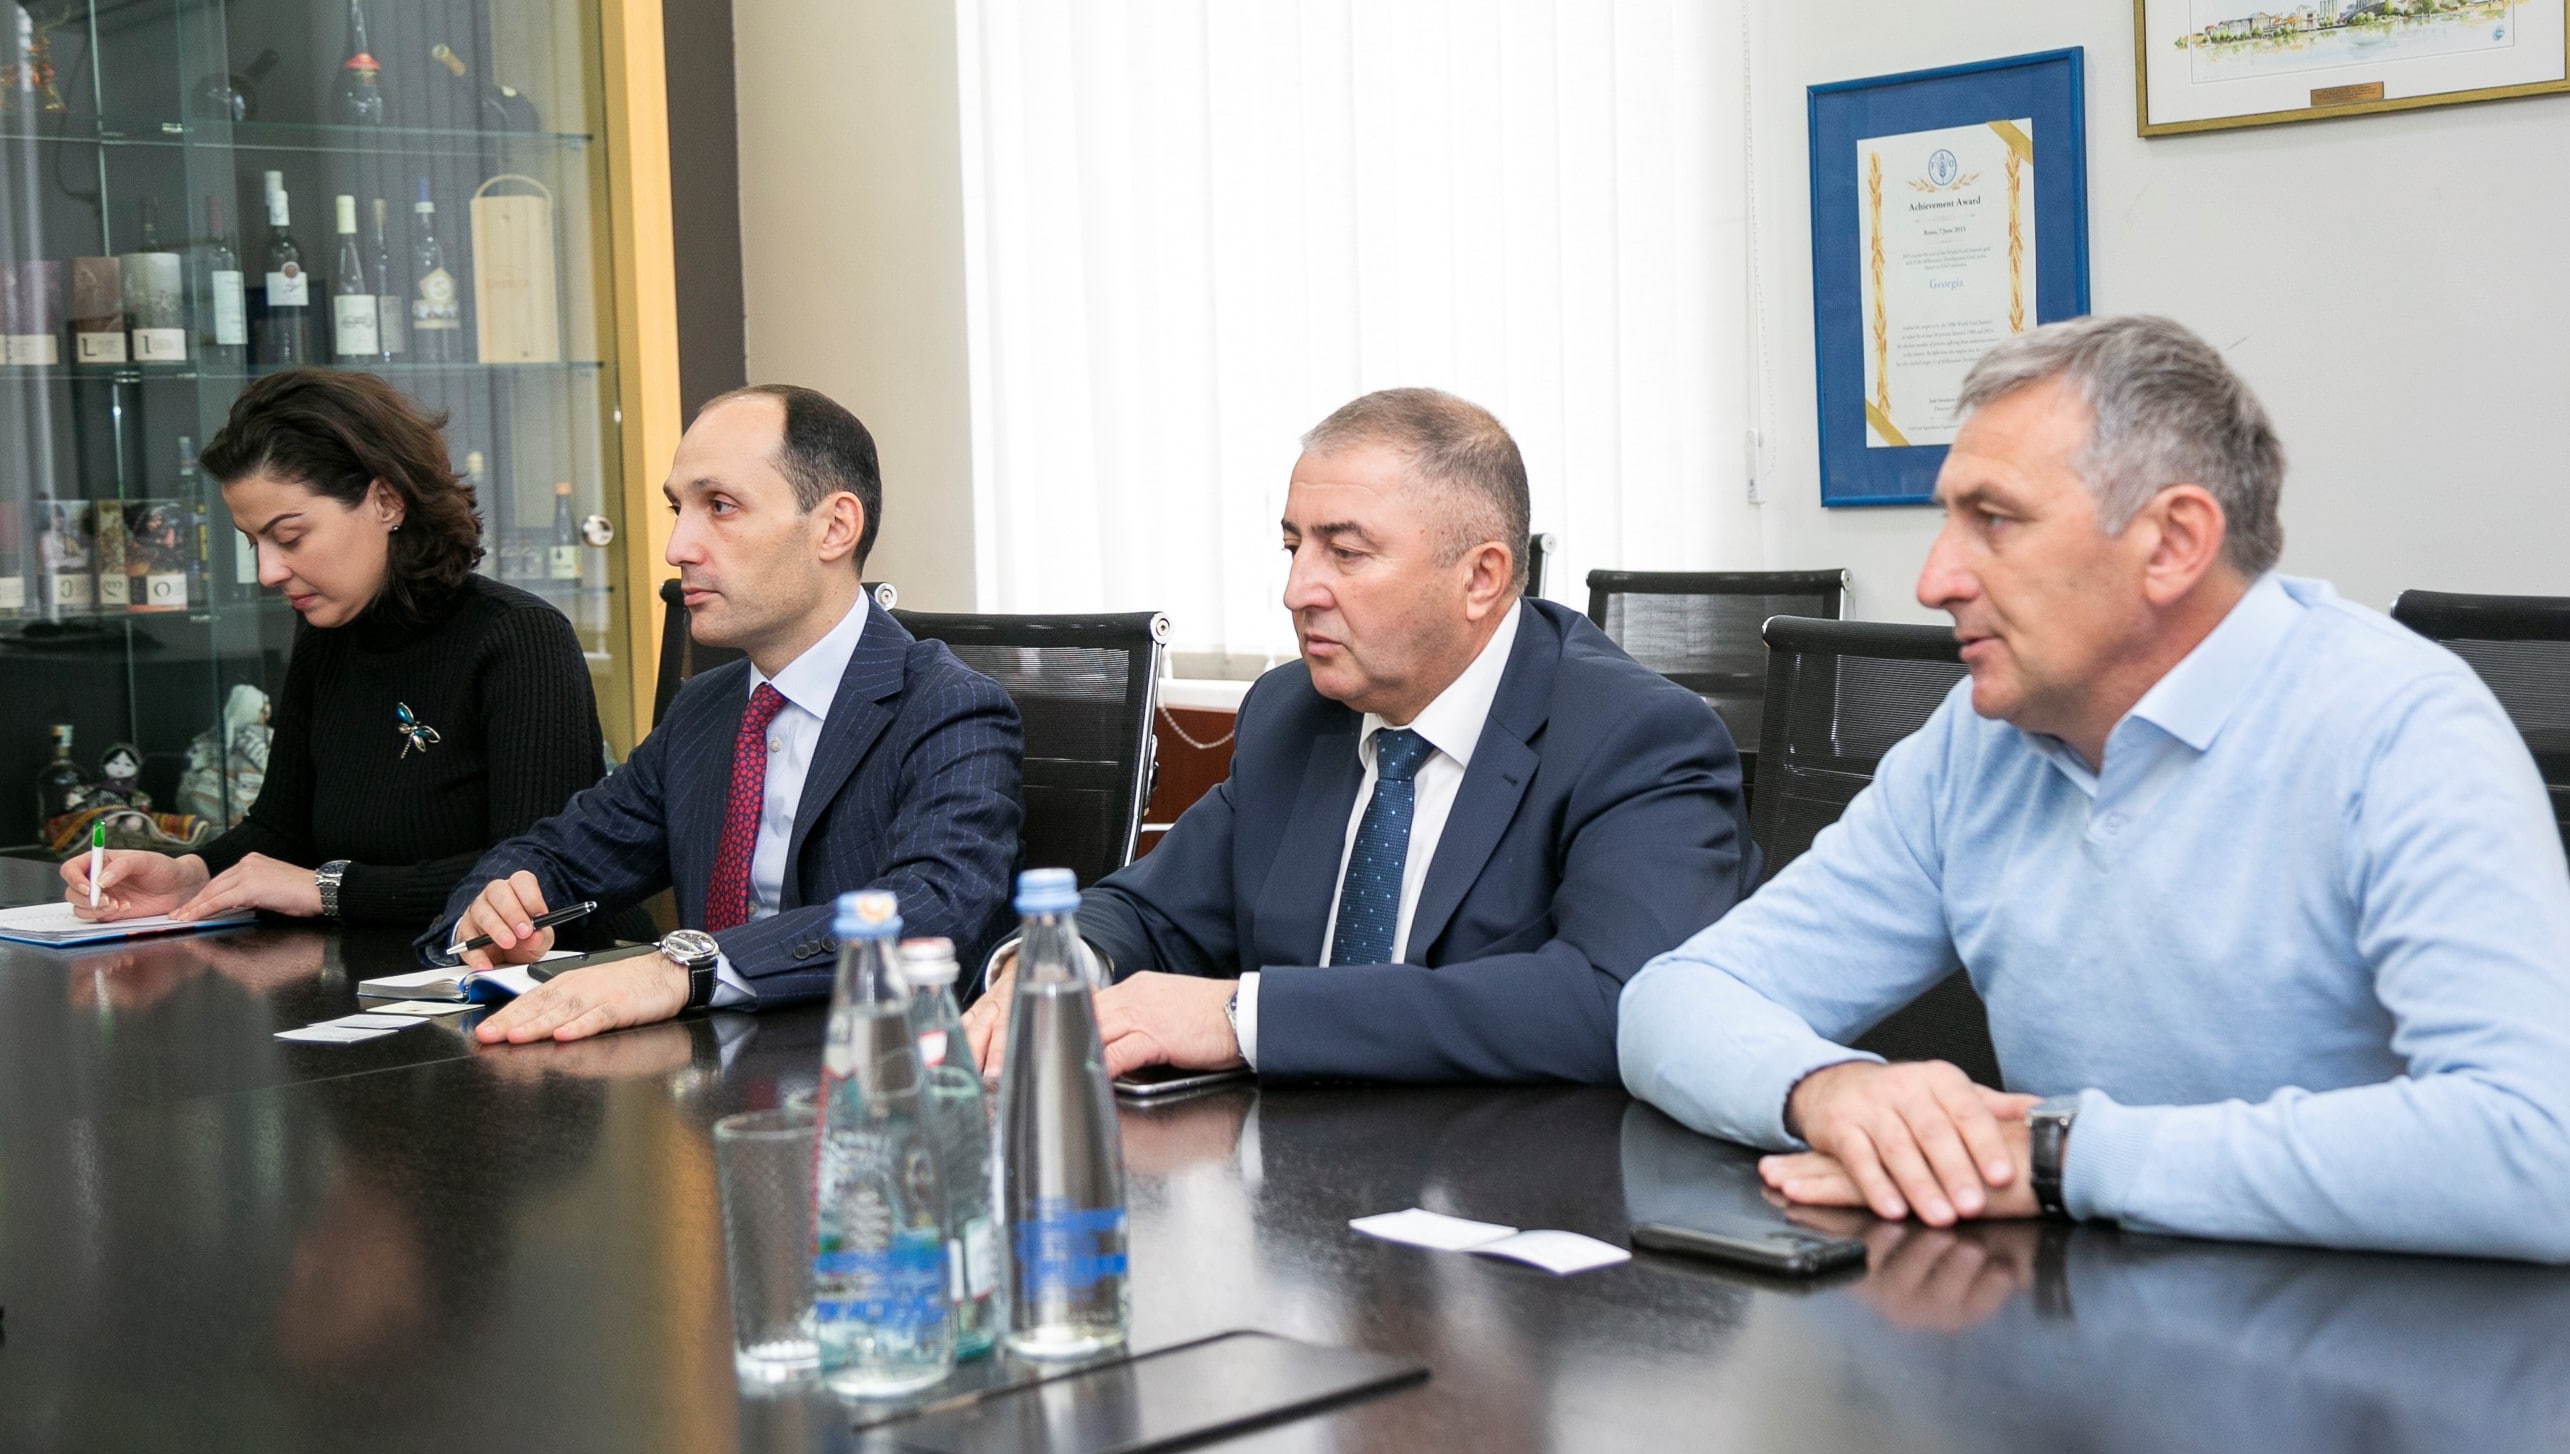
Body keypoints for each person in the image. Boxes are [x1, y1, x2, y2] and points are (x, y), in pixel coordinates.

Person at [1617, 315, 2570, 1262]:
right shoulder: (1981, 741)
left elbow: (2540, 1145)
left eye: (1994, 520)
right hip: (2078, 1310)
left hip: (2376, 1333)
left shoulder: (2400, 729)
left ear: (2173, 542)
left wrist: (2058, 1155)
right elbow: (1678, 997)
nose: (1934, 580)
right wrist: (1828, 1090)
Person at [962, 387, 1756, 1084]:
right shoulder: (1293, 713)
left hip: (1518, 1178)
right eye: (1293, 547)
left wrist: (1244, 1018)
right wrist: (1057, 965)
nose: (1296, 590)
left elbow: (1619, 999)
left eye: (1345, 553)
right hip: (1291, 1173)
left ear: (1480, 578)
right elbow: (1153, 912)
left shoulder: (1637, 737)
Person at [428, 385, 1023, 1043]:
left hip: (879, 1074)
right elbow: (558, 854)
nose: (677, 547)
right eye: (677, 509)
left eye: (719, 506)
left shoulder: (948, 707)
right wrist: (493, 913)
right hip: (709, 1074)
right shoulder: (704, 709)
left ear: (834, 528)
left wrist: (683, 968)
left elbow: (929, 909)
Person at [63, 369, 607, 925]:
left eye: (290, 537)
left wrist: (328, 890)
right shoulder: (326, 634)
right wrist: (189, 876)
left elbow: (536, 878)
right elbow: (281, 831)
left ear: (387, 501)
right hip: (368, 966)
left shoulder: (519, 637)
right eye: (253, 543)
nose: (268, 572)